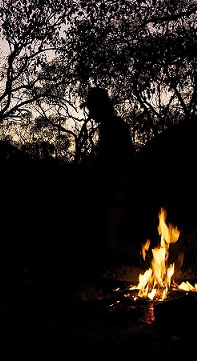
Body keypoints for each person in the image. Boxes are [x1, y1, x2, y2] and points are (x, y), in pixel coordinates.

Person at [82, 87, 136, 265]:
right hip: (112, 188)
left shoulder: (114, 127)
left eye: (92, 108)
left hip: (116, 189)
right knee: (108, 238)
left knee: (112, 240)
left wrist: (119, 187)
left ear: (100, 106)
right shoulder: (109, 126)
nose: (90, 112)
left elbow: (121, 160)